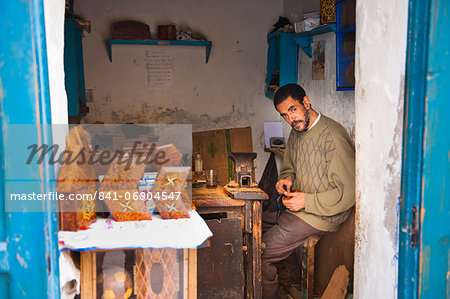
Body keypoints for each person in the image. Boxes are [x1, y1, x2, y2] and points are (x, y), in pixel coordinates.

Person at [262, 84, 355, 298]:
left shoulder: (332, 136)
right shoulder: (297, 131)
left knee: (261, 254)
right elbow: (290, 166)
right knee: (253, 224)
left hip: (322, 214)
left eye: (293, 109)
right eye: (284, 115)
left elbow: (348, 193)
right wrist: (286, 178)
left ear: (306, 102)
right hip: (298, 207)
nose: (290, 119)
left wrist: (307, 202)